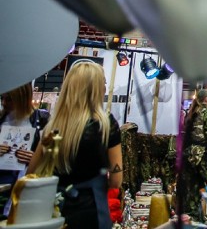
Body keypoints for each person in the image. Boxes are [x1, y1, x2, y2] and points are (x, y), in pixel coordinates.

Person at [27, 60, 122, 229]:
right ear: (95, 89)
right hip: (91, 211)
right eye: (103, 83)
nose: (105, 88)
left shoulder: (53, 125)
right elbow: (116, 180)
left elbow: (32, 172)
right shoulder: (107, 125)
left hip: (52, 208)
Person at [177, 89, 207, 223]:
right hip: (203, 156)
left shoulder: (190, 114)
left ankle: (194, 222)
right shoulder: (206, 113)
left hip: (189, 158)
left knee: (192, 192)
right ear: (206, 100)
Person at [0, 82, 48, 187]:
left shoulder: (42, 119)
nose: (4, 103)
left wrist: (36, 159)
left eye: (9, 99)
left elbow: (51, 157)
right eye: (2, 98)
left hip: (28, 182)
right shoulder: (1, 118)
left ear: (22, 97)